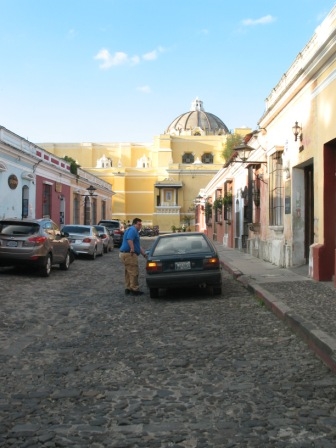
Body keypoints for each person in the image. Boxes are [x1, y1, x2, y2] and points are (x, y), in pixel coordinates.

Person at [119, 217, 147, 296]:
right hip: (129, 254)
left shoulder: (130, 229)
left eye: (141, 224)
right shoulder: (133, 230)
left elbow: (138, 246)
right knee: (134, 272)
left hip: (124, 253)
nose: (140, 226)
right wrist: (132, 249)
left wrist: (144, 254)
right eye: (139, 224)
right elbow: (129, 239)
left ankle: (128, 288)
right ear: (135, 224)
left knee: (128, 272)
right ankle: (134, 289)